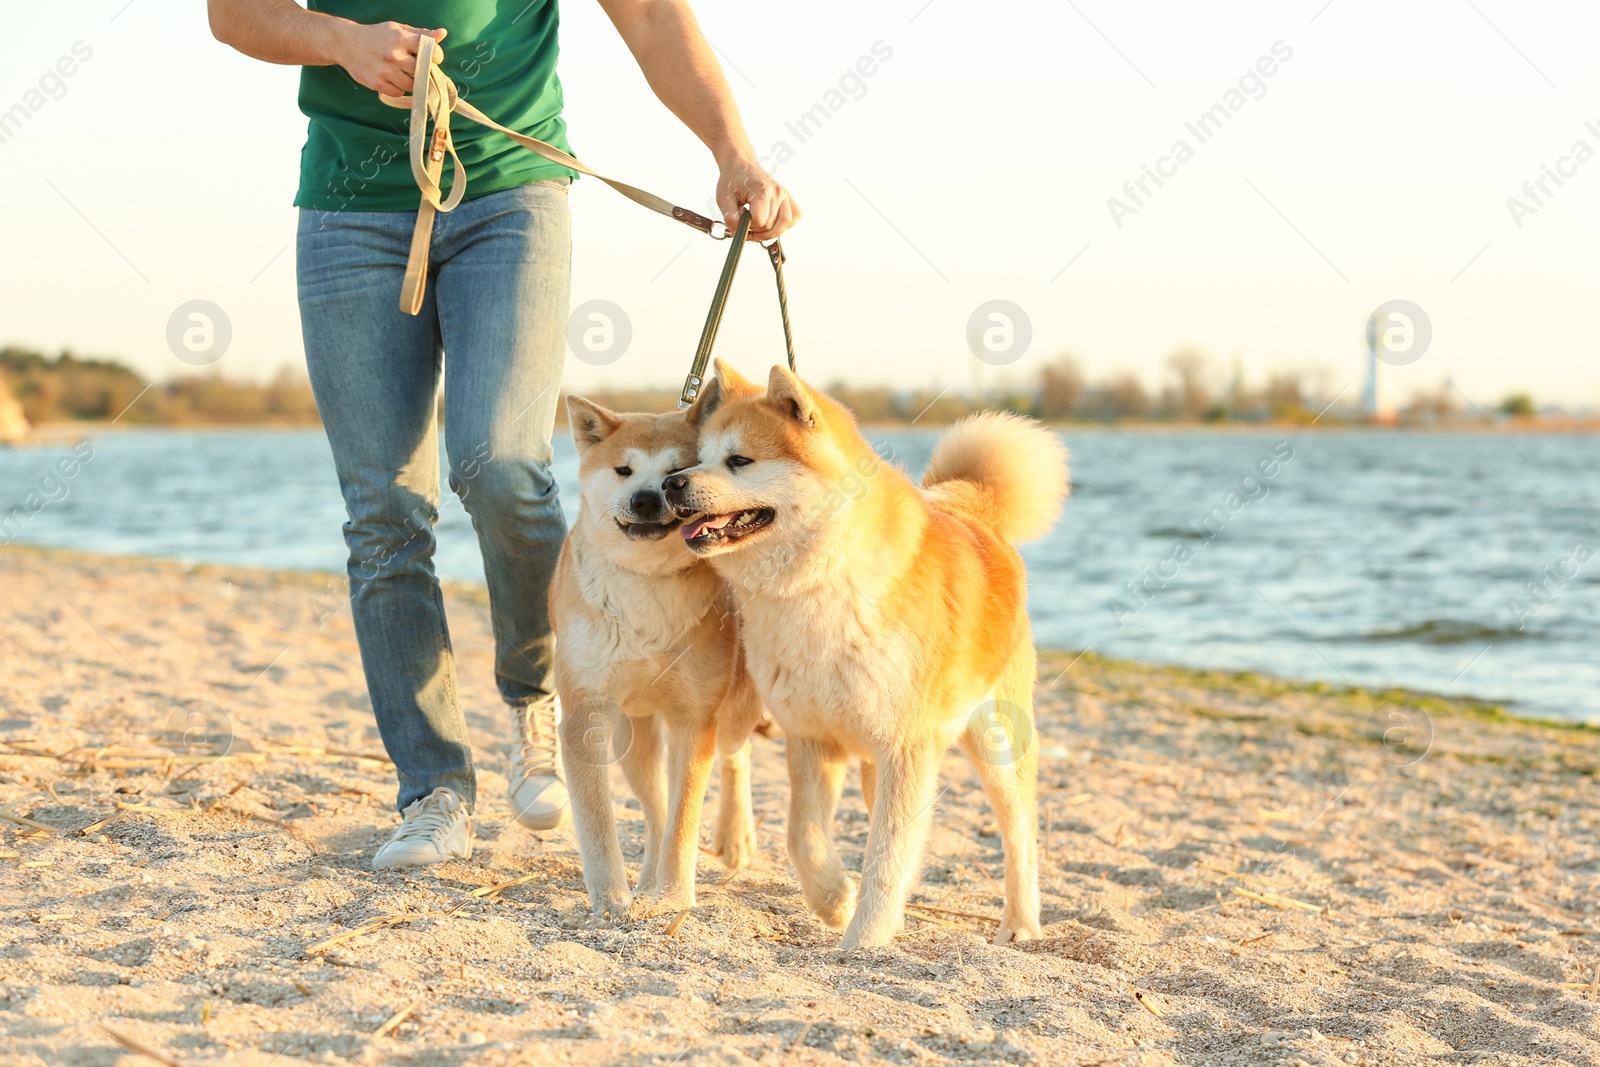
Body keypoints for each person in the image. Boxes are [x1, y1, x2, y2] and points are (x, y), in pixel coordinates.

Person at [208, 0, 798, 870]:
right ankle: (434, 791)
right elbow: (233, 14)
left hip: (509, 197)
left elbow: (649, 17)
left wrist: (732, 150)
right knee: (383, 509)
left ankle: (538, 698)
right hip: (348, 208)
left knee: (501, 465)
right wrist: (340, 42)